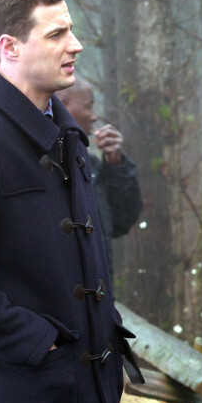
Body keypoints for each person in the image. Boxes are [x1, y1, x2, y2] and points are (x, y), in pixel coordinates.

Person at [0, 0, 142, 403]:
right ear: (9, 47)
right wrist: (39, 342)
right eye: (56, 34)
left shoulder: (66, 133)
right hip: (15, 399)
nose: (76, 45)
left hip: (89, 394)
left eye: (71, 29)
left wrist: (103, 335)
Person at [58, 79, 142, 278]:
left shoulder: (91, 167)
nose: (94, 117)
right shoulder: (34, 165)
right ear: (62, 106)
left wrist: (116, 165)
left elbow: (121, 222)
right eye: (88, 107)